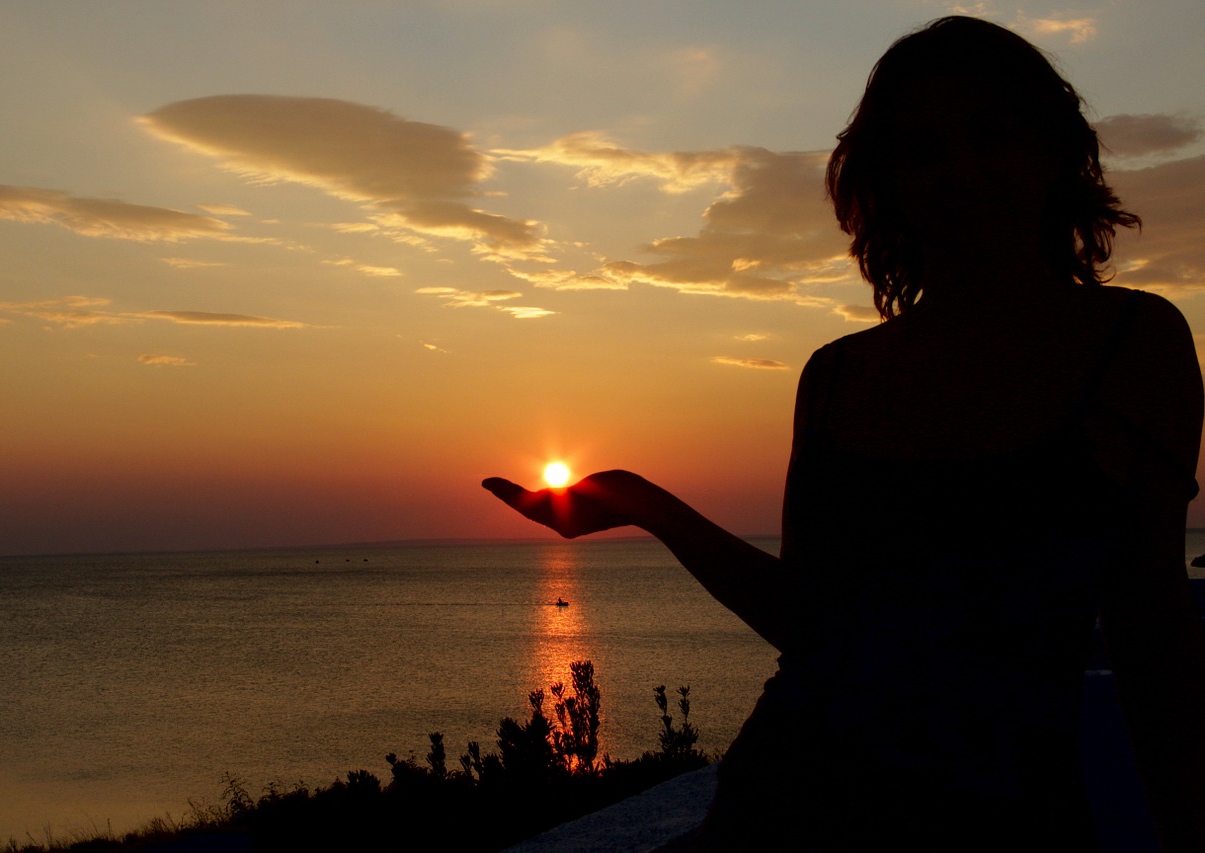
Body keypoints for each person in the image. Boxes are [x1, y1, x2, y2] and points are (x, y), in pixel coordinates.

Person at [483, 16, 1205, 850]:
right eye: (924, 149)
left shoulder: (1130, 344)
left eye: (990, 134)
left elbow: (1152, 631)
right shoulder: (837, 376)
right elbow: (813, 620)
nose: (960, 170)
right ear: (887, 182)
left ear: (1051, 152)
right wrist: (647, 504)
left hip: (1002, 821)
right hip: (779, 811)